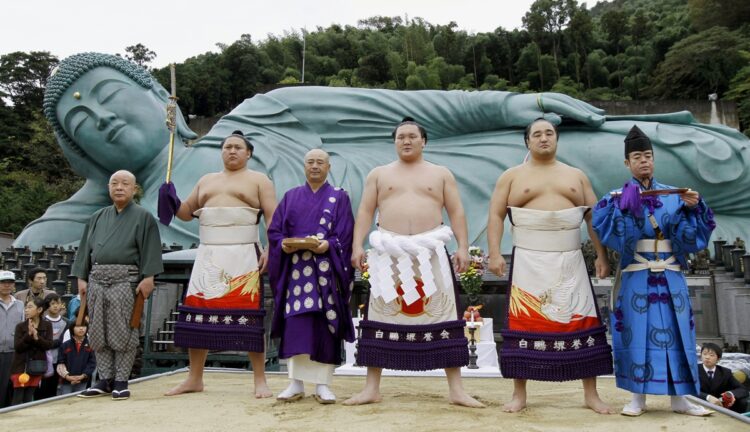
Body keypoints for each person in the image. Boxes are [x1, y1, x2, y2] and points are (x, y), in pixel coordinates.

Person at [18, 52, 750, 250]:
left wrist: (507, 105)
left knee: (697, 160)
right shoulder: (128, 206)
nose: (99, 117)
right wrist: (91, 193)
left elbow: (403, 108)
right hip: (376, 234)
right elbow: (43, 237)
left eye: (108, 96)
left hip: (454, 168)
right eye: (78, 121)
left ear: (161, 97)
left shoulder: (261, 113)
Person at [343, 117, 483, 408]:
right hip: (389, 252)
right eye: (400, 137)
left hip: (431, 250)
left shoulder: (441, 174)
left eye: (412, 136)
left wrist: (462, 247)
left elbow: (456, 211)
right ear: (394, 142)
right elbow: (366, 211)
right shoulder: (379, 174)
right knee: (381, 314)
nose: (406, 141)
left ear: (424, 141)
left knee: (442, 313)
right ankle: (372, 387)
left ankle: (456, 389)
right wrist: (357, 245)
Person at [487, 118, 613, 413]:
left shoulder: (576, 176)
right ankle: (520, 394)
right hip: (528, 260)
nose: (543, 138)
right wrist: (494, 253)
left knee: (582, 320)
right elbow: (495, 215)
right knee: (523, 321)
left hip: (569, 258)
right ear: (527, 141)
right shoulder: (511, 176)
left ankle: (591, 394)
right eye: (537, 134)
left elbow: (594, 217)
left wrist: (601, 255)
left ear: (556, 139)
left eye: (549, 133)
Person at [592, 125, 715, 416]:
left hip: (670, 272)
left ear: (653, 159)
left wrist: (694, 208)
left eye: (648, 156)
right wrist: (624, 208)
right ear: (627, 163)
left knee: (678, 330)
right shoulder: (616, 196)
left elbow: (692, 235)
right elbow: (605, 229)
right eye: (637, 157)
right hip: (637, 271)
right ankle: (637, 397)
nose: (644, 161)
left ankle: (680, 399)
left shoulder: (675, 194)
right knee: (636, 332)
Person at [164, 131, 276, 399]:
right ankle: (195, 378)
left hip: (243, 254)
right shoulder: (206, 181)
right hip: (209, 254)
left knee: (251, 317)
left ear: (248, 153)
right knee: (196, 316)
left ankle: (259, 379)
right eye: (227, 147)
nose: (232, 151)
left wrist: (271, 248)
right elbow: (186, 212)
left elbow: (273, 217)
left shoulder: (259, 180)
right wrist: (170, 197)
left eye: (238, 147)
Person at [268, 149, 356, 404]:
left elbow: (345, 234)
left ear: (328, 167)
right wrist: (284, 243)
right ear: (304, 166)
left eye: (320, 162)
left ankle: (322, 384)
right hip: (296, 273)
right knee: (296, 325)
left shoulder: (339, 198)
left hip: (326, 274)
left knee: (324, 327)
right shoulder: (290, 197)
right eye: (310, 162)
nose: (315, 166)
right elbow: (275, 232)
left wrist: (328, 245)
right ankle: (295, 383)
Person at [72, 169, 164, 400]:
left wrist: (148, 277)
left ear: (134, 189)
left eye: (125, 184)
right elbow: (85, 250)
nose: (119, 187)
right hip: (96, 279)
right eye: (114, 183)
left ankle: (121, 380)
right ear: (109, 188)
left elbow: (151, 249)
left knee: (124, 330)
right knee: (98, 332)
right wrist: (81, 278)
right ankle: (104, 379)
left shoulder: (144, 217)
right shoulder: (97, 217)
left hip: (126, 280)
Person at [10, 297, 53, 405]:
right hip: (21, 367)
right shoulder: (20, 326)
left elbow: (48, 345)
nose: (26, 310)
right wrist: (28, 335)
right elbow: (18, 347)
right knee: (17, 399)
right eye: (26, 307)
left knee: (29, 398)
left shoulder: (47, 325)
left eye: (30, 307)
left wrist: (36, 336)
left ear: (39, 310)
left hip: (37, 366)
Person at [35, 293, 70, 399]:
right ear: (47, 306)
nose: (56, 306)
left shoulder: (66, 322)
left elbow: (64, 340)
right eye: (52, 303)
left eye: (58, 303)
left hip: (59, 360)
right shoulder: (41, 321)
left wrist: (49, 343)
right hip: (43, 360)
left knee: (54, 390)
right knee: (41, 390)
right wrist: (50, 343)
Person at [0, 270, 24, 408]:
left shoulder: (20, 305)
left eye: (10, 283)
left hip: (13, 353)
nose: (7, 285)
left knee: (9, 386)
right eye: (3, 282)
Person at [57, 322, 96, 395]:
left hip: (83, 380)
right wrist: (67, 376)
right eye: (78, 326)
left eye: (84, 326)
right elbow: (60, 363)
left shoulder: (91, 345)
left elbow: (92, 363)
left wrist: (83, 375)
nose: (81, 328)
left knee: (80, 399)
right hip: (66, 381)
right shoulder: (65, 345)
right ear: (72, 329)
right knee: (65, 400)